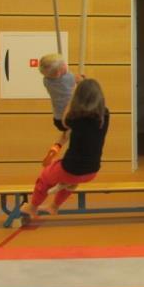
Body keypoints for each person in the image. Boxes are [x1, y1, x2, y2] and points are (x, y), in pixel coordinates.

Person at [20, 78, 109, 218]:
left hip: (71, 168)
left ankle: (32, 207)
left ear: (78, 98)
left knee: (44, 178)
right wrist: (83, 85)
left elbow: (63, 123)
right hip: (92, 171)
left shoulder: (76, 117)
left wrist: (73, 93)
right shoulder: (105, 115)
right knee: (70, 180)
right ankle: (54, 205)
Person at [38, 53, 83, 165]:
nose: (65, 64)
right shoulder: (67, 78)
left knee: (65, 134)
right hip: (70, 116)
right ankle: (71, 157)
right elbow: (81, 83)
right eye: (63, 64)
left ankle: (56, 147)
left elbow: (56, 70)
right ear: (59, 73)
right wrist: (81, 80)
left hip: (58, 119)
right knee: (76, 133)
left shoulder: (46, 81)